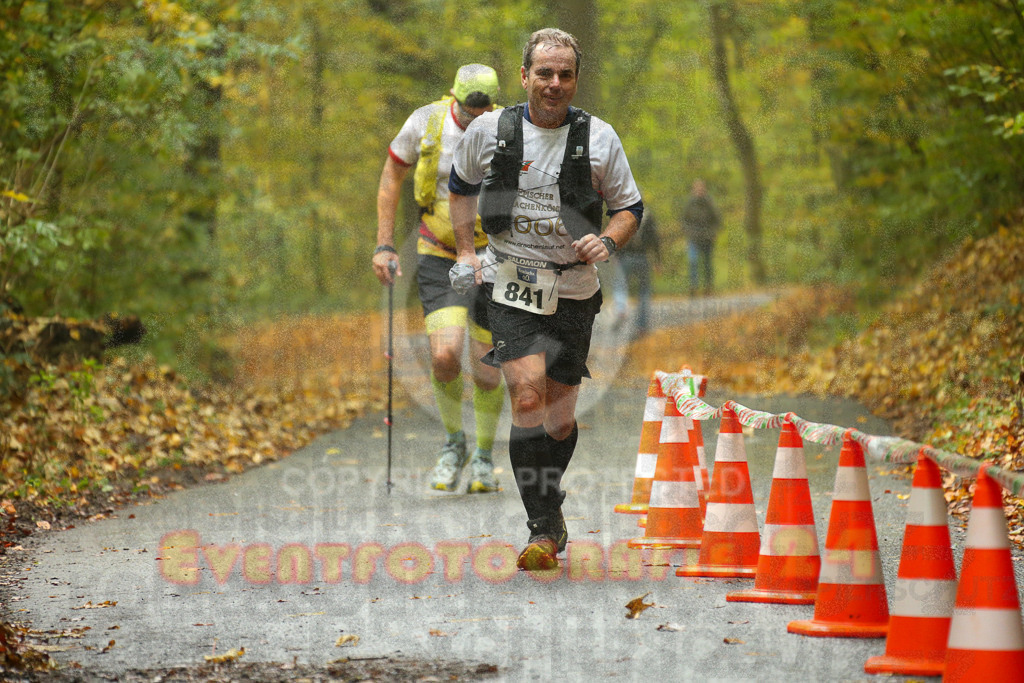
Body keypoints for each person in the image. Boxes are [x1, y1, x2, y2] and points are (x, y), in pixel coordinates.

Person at [447, 28, 643, 570]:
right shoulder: (490, 130)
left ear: (575, 79)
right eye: (544, 73)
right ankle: (542, 526)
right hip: (510, 279)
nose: (554, 84)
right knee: (527, 402)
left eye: (565, 75)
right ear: (525, 76)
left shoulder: (600, 138)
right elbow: (461, 188)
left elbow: (631, 209)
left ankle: (550, 503)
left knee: (558, 420)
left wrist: (606, 241)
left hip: (575, 287)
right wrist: (467, 251)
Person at [371, 64, 506, 494]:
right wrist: (385, 244)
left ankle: (484, 457)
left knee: (487, 366)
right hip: (438, 251)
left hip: (493, 255)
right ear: (454, 98)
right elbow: (393, 173)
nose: (474, 119)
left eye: (483, 111)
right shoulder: (425, 121)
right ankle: (454, 444)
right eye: (468, 110)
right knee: (445, 355)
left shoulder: (507, 127)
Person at [611, 202, 660, 335]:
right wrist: (657, 260)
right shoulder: (648, 216)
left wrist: (615, 254)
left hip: (626, 257)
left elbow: (617, 236)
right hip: (643, 258)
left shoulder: (622, 214)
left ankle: (621, 310)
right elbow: (655, 239)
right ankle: (642, 326)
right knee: (644, 291)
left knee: (620, 285)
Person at [680, 179, 721, 295]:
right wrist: (687, 231)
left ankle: (708, 286)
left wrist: (713, 233)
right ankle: (693, 286)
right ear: (693, 190)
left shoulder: (710, 203)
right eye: (697, 188)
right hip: (693, 237)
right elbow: (683, 220)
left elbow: (717, 219)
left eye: (701, 188)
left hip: (707, 237)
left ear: (705, 189)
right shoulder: (689, 204)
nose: (699, 191)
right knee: (693, 261)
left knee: (707, 263)